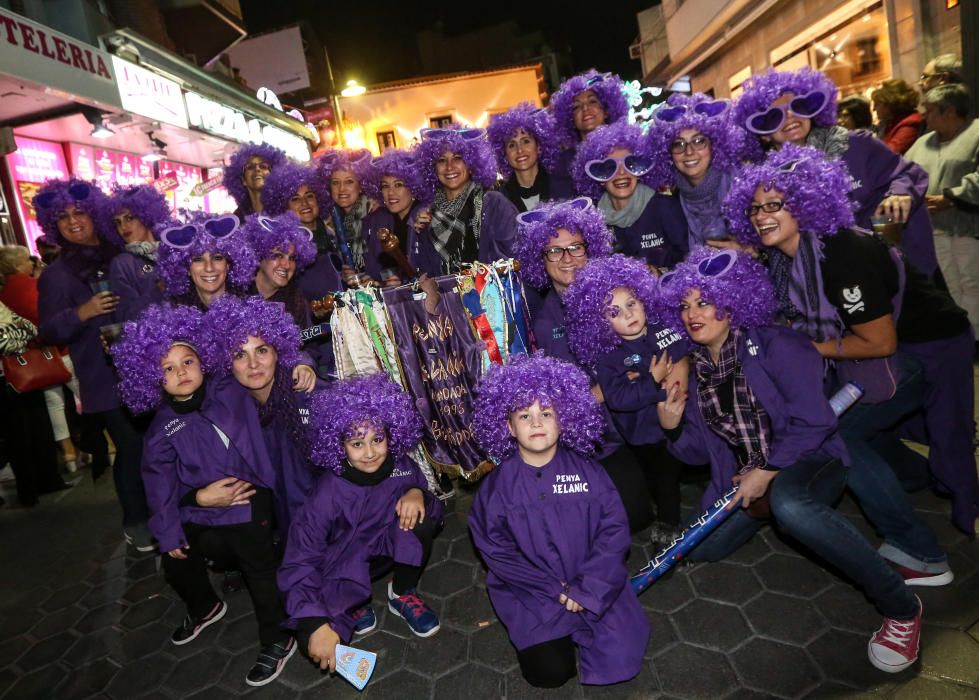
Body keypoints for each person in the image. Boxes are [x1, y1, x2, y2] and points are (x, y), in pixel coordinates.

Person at [657, 246, 924, 672]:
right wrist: (670, 426)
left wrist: (765, 472)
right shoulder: (696, 369)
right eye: (685, 305)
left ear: (733, 300)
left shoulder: (780, 344)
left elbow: (816, 422)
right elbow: (695, 454)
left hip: (808, 460)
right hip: (746, 479)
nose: (693, 313)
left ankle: (902, 606)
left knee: (793, 506)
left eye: (704, 301)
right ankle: (779, 513)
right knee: (701, 551)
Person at [723, 145, 976, 537]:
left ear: (806, 203)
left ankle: (918, 544)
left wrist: (807, 347)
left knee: (873, 434)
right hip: (890, 346)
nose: (762, 216)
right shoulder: (789, 257)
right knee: (874, 428)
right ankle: (914, 480)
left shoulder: (840, 252)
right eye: (755, 209)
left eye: (774, 205)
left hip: (934, 344)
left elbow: (878, 343)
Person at [112, 302, 296, 686]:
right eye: (168, 368)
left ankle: (277, 637)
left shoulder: (230, 388)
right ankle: (204, 606)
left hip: (250, 496)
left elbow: (270, 358)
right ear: (151, 378)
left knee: (258, 567)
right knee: (175, 556)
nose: (180, 372)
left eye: (188, 361)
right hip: (201, 505)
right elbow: (158, 482)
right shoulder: (162, 428)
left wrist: (304, 362)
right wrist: (168, 530)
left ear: (204, 360)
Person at [469, 353, 650, 688]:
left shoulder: (590, 473)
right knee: (550, 673)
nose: (537, 423)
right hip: (532, 593)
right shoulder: (496, 489)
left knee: (623, 658)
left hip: (594, 582)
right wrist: (553, 589)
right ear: (508, 427)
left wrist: (589, 587)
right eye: (525, 415)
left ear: (563, 420)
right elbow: (495, 551)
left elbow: (613, 532)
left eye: (547, 413)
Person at [279, 374, 443, 674]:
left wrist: (416, 492)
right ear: (339, 445)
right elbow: (299, 560)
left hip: (382, 550)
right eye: (357, 443)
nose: (370, 452)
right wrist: (315, 623)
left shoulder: (398, 465)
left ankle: (402, 592)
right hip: (341, 567)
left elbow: (426, 495)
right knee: (313, 637)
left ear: (391, 436)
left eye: (377, 439)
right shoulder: (326, 493)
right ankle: (353, 605)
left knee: (420, 517)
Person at [516, 198, 655, 532]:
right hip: (601, 438)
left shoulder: (620, 293)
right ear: (541, 259)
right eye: (555, 251)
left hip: (645, 413)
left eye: (576, 247)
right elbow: (572, 400)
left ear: (591, 247)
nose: (567, 259)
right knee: (632, 515)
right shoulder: (544, 323)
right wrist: (612, 386)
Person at [34, 178, 152, 550]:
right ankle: (136, 519)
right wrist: (81, 312)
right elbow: (49, 329)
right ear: (54, 224)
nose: (73, 222)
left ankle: (164, 508)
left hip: (146, 364)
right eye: (64, 217)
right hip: (103, 376)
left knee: (156, 442)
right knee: (130, 446)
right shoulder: (56, 274)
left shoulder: (120, 250)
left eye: (80, 212)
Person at [733, 67, 939, 278]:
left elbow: (907, 173)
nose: (790, 116)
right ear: (763, 134)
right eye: (774, 116)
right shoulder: (767, 182)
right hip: (840, 280)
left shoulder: (855, 145)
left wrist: (899, 194)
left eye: (798, 106)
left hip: (901, 269)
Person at [563, 254, 689, 544]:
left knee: (668, 481)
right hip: (640, 436)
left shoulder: (665, 332)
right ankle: (658, 516)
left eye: (631, 304)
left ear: (645, 299)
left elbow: (684, 353)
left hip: (670, 429)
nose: (628, 314)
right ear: (600, 322)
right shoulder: (609, 357)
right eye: (614, 312)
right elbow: (618, 399)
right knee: (653, 479)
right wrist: (653, 380)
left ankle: (669, 531)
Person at [199, 294, 317, 534]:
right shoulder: (233, 407)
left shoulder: (306, 396)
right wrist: (196, 498)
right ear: (226, 362)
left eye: (261, 350)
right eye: (240, 355)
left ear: (278, 351)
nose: (253, 364)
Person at [905, 83, 979, 338]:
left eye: (931, 110)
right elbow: (904, 173)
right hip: (934, 226)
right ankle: (963, 335)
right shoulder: (923, 142)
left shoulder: (976, 133)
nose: (925, 116)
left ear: (950, 112)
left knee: (973, 282)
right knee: (948, 284)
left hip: (968, 225)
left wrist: (951, 198)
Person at [0, 245, 81, 473]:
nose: (32, 263)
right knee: (82, 392)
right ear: (17, 265)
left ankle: (68, 454)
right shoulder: (33, 286)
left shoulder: (4, 292)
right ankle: (104, 444)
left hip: (33, 359)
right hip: (57, 350)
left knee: (54, 404)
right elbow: (46, 317)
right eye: (27, 260)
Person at [573, 121, 688, 271]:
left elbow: (688, 257)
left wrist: (662, 274)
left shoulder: (665, 207)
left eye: (630, 164)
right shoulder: (595, 221)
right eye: (610, 167)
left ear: (639, 173)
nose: (622, 173)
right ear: (599, 179)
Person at [646, 92, 754, 248]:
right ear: (667, 153)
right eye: (678, 144)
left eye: (698, 141)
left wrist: (751, 251)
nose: (689, 152)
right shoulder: (675, 201)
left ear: (714, 144)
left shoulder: (745, 186)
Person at [415, 127, 518, 273]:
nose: (449, 167)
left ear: (471, 164)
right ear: (433, 168)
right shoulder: (427, 216)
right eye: (442, 160)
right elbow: (425, 273)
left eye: (458, 158)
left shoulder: (495, 205)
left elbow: (513, 260)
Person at [0, 298, 71, 506]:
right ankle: (28, 490)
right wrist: (15, 331)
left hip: (23, 373)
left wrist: (12, 333)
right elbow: (5, 343)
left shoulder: (2, 304)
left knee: (40, 428)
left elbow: (30, 328)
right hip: (5, 380)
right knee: (18, 437)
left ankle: (48, 480)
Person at [361, 148, 440, 283]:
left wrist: (402, 283)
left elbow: (433, 271)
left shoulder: (423, 218)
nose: (391, 192)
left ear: (414, 188)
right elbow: (383, 268)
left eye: (398, 185)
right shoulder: (384, 220)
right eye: (385, 186)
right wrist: (377, 282)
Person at [157, 214, 258, 311]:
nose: (209, 268)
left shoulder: (250, 310)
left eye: (217, 258)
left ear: (228, 265)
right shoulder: (173, 316)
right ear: (186, 269)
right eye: (198, 260)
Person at [487, 102, 573, 212]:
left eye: (526, 141)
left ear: (539, 147)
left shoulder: (565, 186)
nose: (520, 150)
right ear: (504, 154)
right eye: (512, 145)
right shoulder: (498, 200)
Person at [104, 184, 172, 322]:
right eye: (117, 222)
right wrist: (158, 290)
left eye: (129, 218)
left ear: (146, 217)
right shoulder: (122, 263)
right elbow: (125, 316)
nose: (123, 227)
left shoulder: (171, 253)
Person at [550, 69, 631, 179]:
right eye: (576, 107)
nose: (585, 108)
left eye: (592, 101)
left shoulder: (625, 150)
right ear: (571, 120)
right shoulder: (563, 162)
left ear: (606, 111)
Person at [243, 212, 317, 328]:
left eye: (291, 258)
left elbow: (307, 344)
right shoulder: (237, 291)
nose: (287, 265)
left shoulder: (295, 301)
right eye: (278, 255)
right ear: (258, 256)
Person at [316, 148, 375, 280]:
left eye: (349, 181)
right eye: (335, 183)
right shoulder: (334, 221)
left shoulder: (374, 215)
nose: (342, 189)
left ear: (361, 185)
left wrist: (371, 277)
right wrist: (344, 275)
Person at [222, 144, 288, 220]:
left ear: (274, 175)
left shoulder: (286, 210)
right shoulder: (237, 219)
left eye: (263, 166)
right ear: (244, 180)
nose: (257, 169)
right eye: (250, 167)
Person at [872, 80, 925, 155]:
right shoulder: (888, 123)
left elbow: (888, 155)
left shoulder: (910, 124)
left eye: (877, 104)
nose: (874, 109)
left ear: (890, 105)